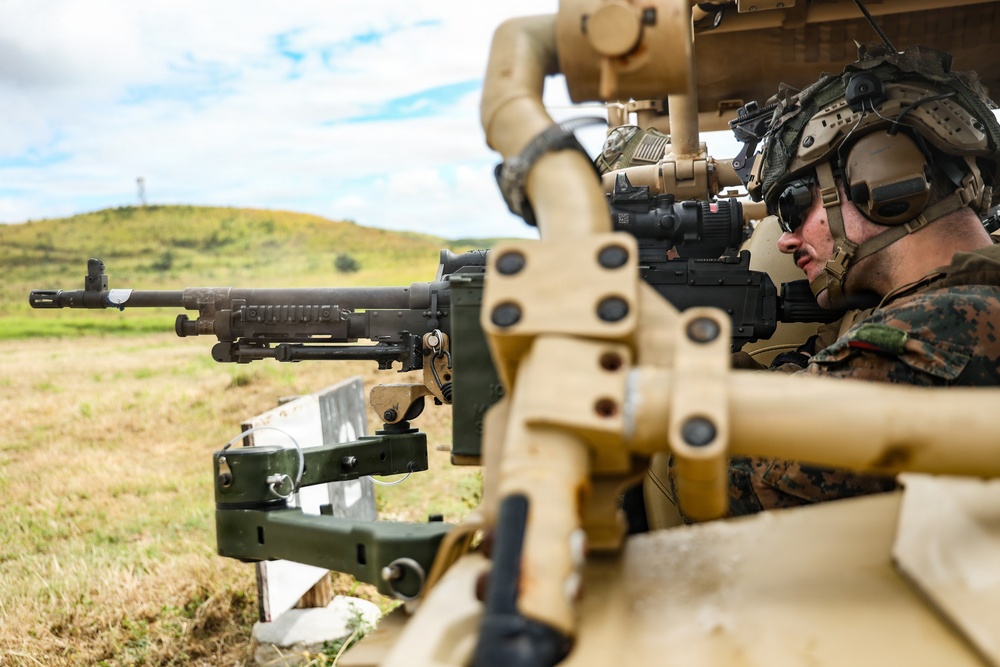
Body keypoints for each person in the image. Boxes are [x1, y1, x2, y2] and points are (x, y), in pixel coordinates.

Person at [726, 44, 1000, 515]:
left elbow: (736, 485)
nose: (787, 241)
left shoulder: (931, 333)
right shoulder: (966, 307)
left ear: (880, 172)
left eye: (793, 206)